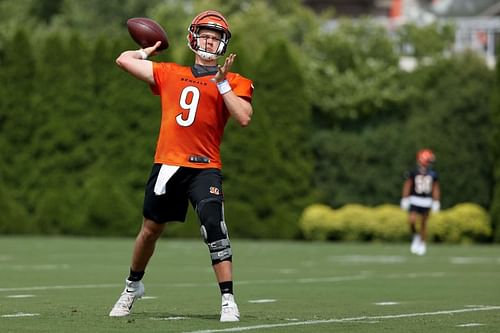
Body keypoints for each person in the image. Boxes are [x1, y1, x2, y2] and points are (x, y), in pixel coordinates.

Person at [108, 10, 253, 322]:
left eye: (216, 38)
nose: (210, 41)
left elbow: (243, 117)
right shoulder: (170, 72)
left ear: (223, 45)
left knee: (214, 226)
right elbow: (123, 60)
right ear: (193, 38)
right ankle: (132, 286)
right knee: (150, 230)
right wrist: (146, 49)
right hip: (168, 164)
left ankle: (228, 299)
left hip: (205, 167)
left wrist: (223, 84)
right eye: (205, 35)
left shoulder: (234, 81)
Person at [400, 149, 441, 256]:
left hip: (426, 201)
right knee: (412, 220)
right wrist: (405, 198)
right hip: (415, 199)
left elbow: (435, 188)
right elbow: (408, 185)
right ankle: (415, 237)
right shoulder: (413, 172)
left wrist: (436, 201)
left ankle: (422, 243)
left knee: (423, 224)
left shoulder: (433, 174)